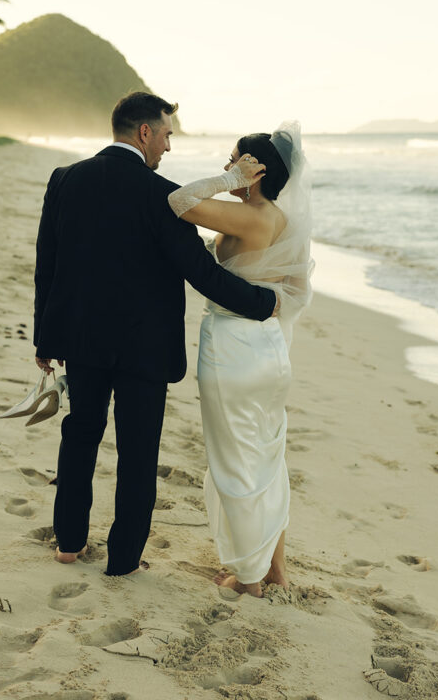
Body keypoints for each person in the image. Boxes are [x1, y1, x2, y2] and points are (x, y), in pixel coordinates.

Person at [33, 92, 279, 577]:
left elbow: (48, 263)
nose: (168, 146)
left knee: (79, 435)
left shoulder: (66, 180)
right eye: (166, 134)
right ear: (145, 132)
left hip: (80, 339)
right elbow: (200, 273)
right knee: (138, 453)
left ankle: (68, 544)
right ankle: (123, 560)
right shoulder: (161, 194)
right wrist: (265, 303)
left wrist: (46, 339)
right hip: (144, 348)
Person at [167, 121, 313, 596]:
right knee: (267, 458)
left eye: (234, 159)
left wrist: (233, 182)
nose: (226, 166)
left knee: (235, 461)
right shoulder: (280, 220)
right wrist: (238, 181)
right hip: (268, 348)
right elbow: (288, 289)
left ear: (256, 169)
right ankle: (275, 568)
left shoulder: (251, 215)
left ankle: (248, 577)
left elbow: (179, 200)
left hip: (235, 349)